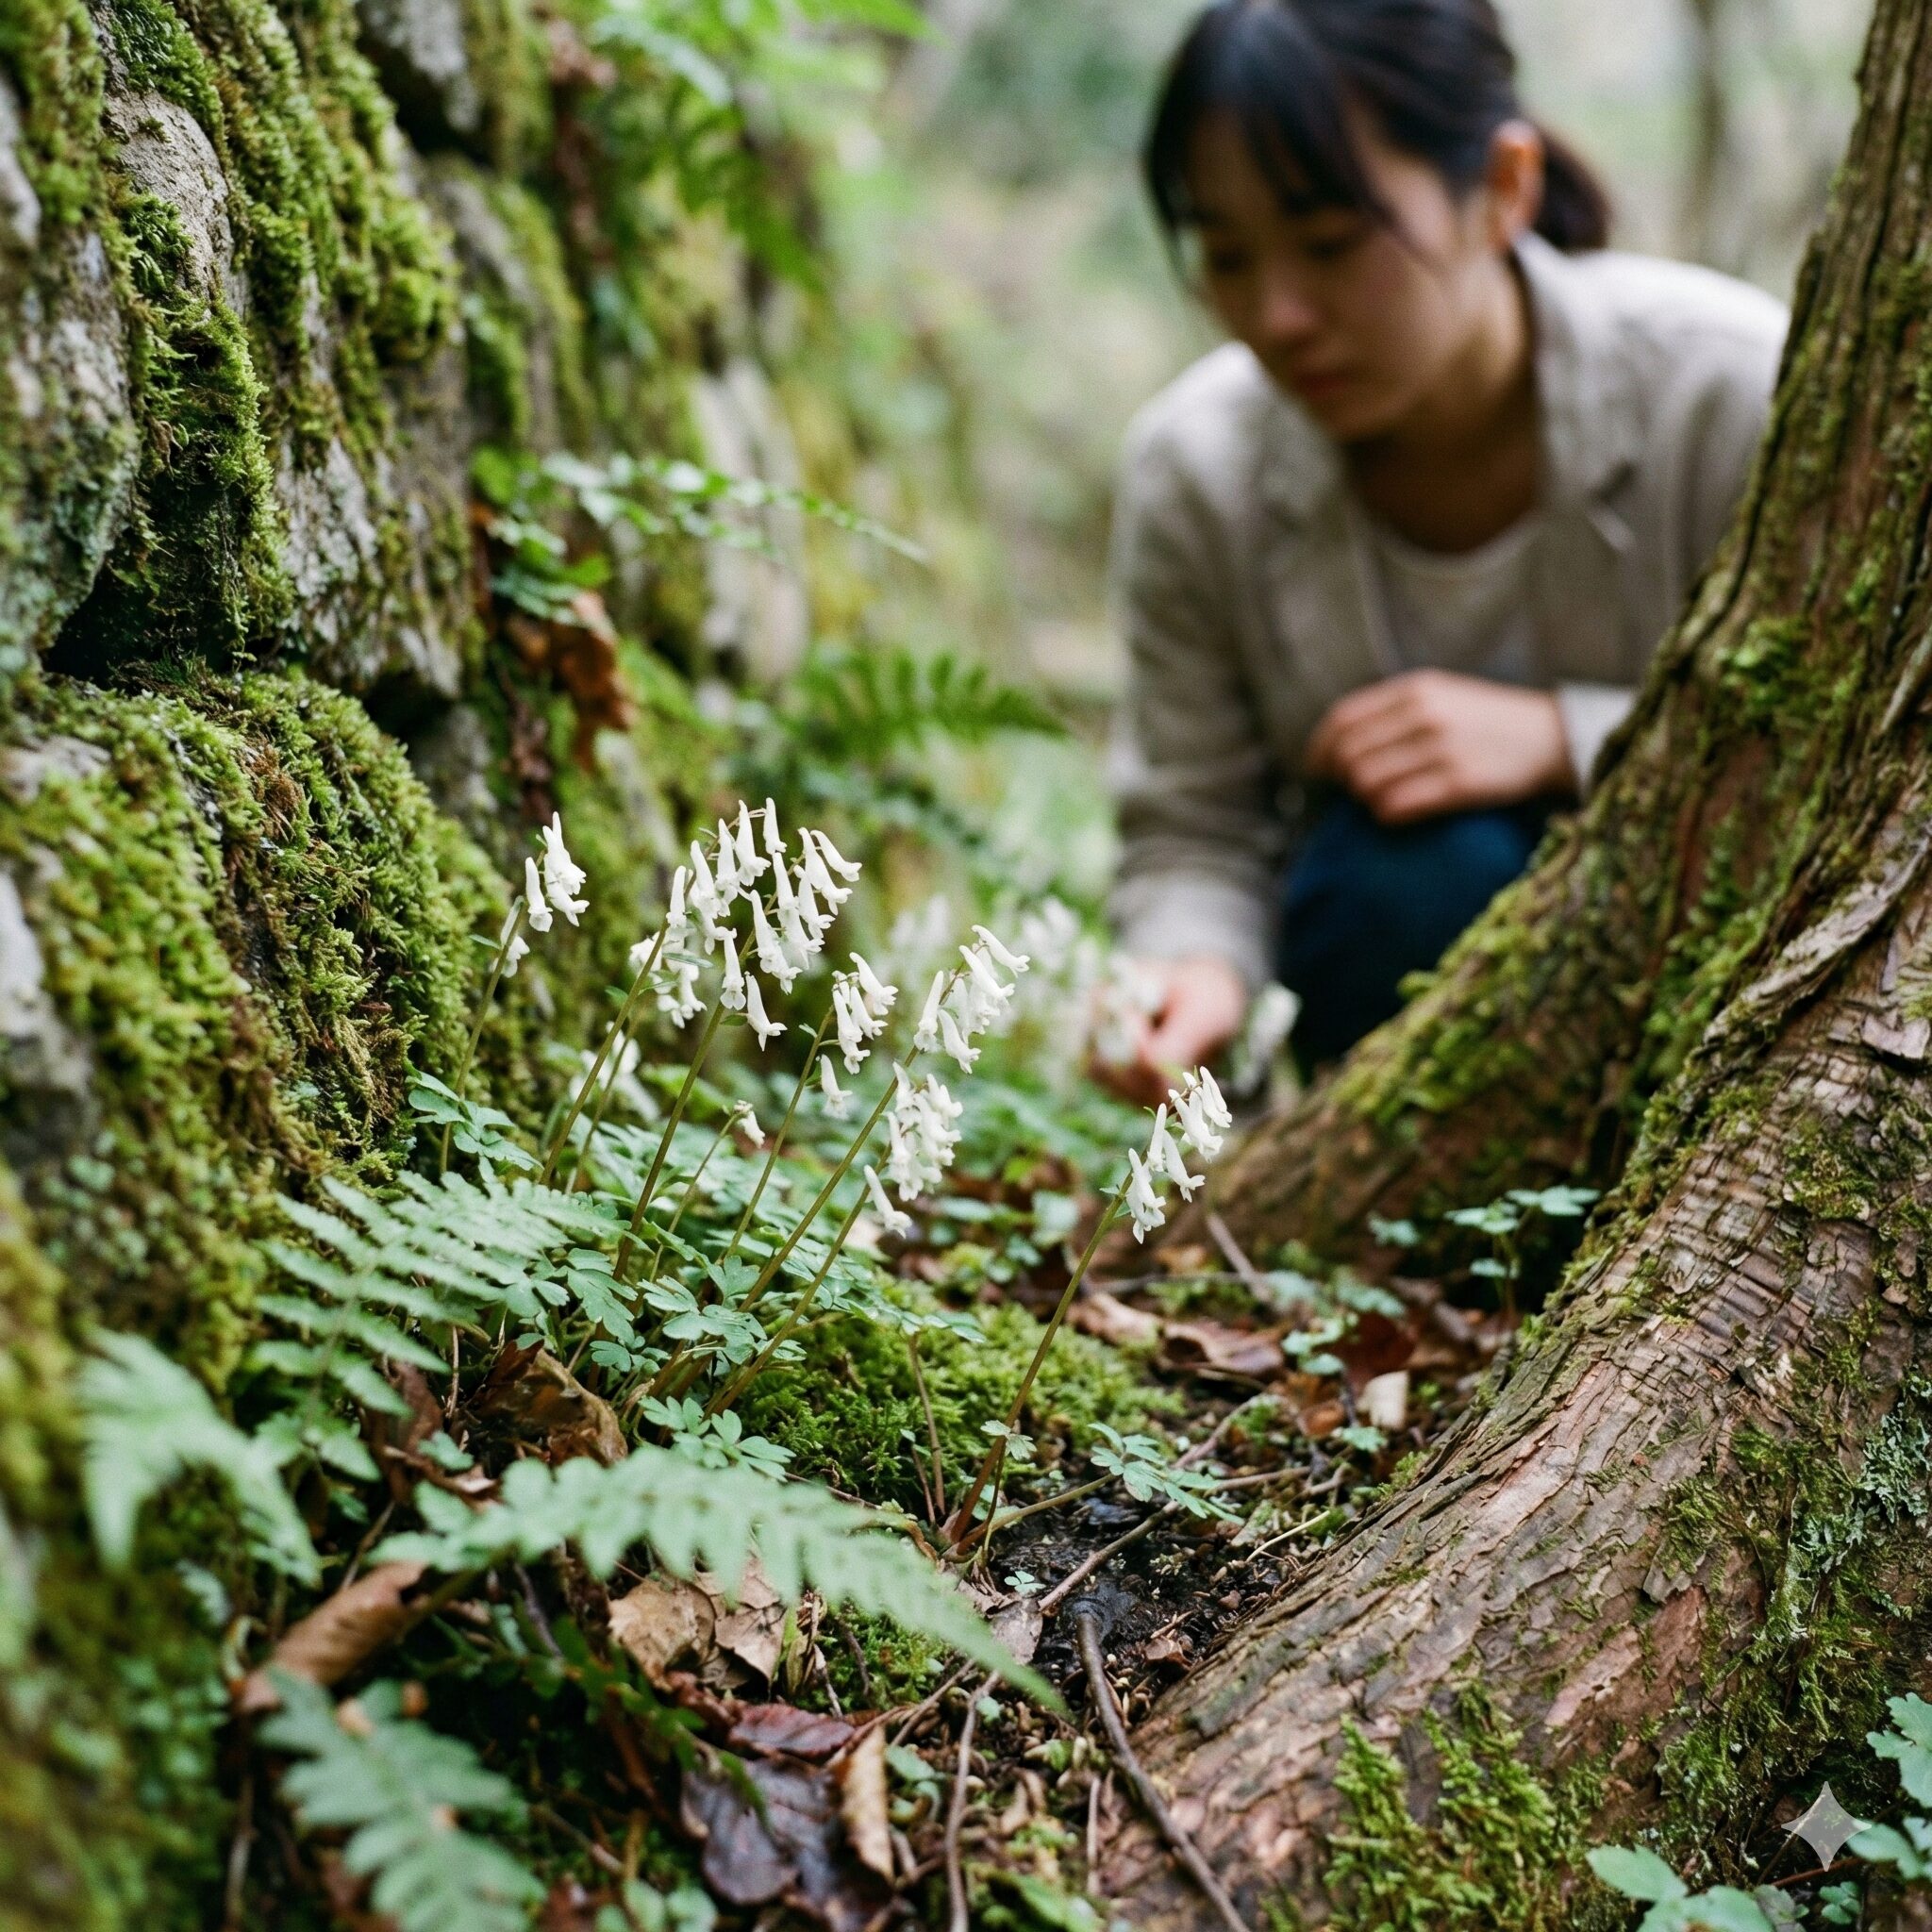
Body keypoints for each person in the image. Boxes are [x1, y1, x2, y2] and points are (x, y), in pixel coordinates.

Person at [1095, 0, 1789, 1104]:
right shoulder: (1198, 472)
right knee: (1403, 882)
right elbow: (1194, 823)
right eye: (1226, 257)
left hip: (1727, 1005)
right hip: (1381, 1024)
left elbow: (1841, 752)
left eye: (1331, 245)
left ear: (1502, 189)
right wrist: (1193, 966)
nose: (1277, 315)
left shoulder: (1729, 394)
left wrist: (1562, 735)